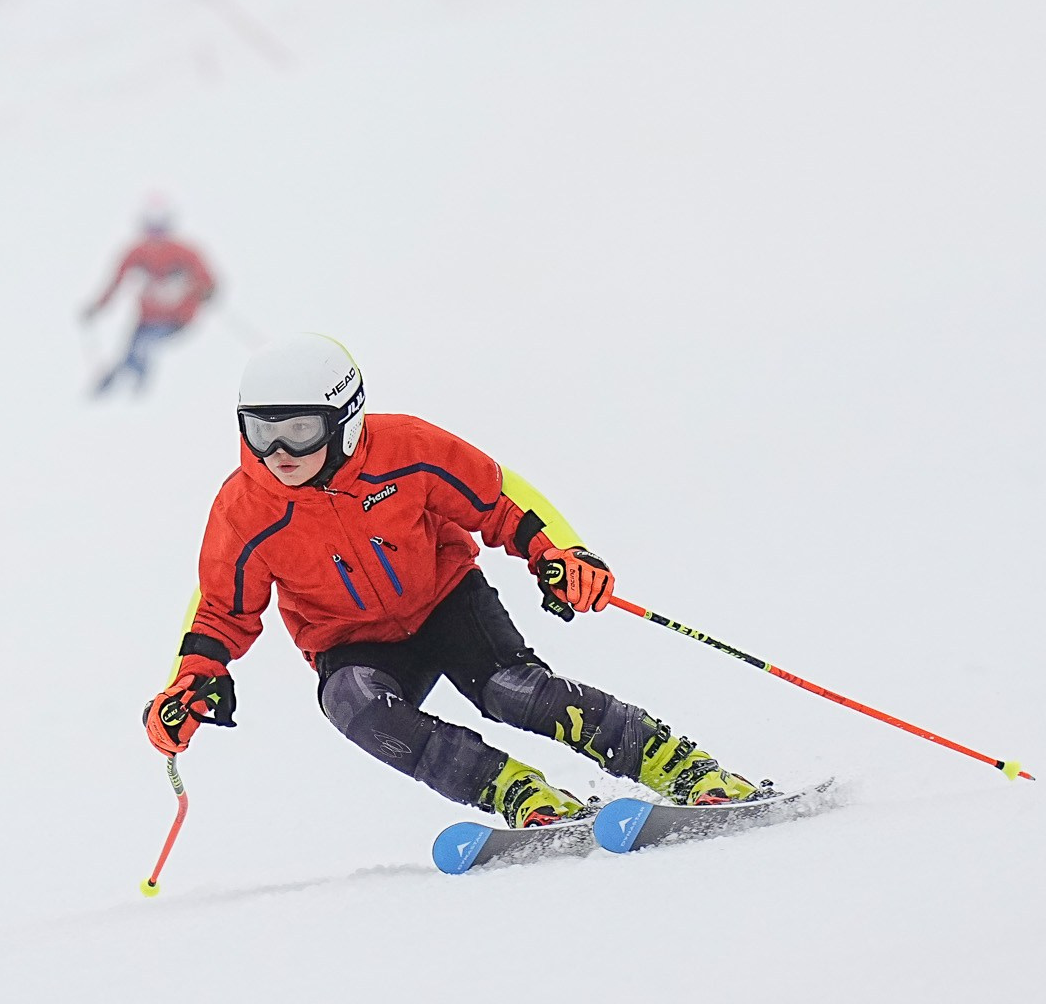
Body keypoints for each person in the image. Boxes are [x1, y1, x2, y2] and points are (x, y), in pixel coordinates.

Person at [143, 335, 761, 829]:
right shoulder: (244, 507)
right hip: (350, 638)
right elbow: (222, 608)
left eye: (299, 429)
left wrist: (559, 552)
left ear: (347, 417)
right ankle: (516, 791)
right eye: (260, 429)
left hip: (444, 600)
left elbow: (497, 498)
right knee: (352, 702)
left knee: (512, 692)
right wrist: (192, 683)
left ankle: (678, 765)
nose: (279, 450)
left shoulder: (406, 448)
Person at [82, 206, 218, 395]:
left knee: (144, 347)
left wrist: (208, 292)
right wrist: (97, 307)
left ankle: (140, 392)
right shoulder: (135, 255)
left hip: (177, 319)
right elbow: (115, 284)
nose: (156, 239)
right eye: (151, 231)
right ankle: (110, 387)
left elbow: (208, 282)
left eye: (160, 231)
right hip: (146, 319)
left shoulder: (185, 253)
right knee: (129, 350)